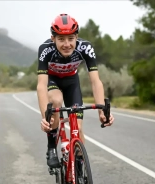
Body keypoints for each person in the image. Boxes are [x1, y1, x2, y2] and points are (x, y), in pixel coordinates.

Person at [36, 13, 114, 169]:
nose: (67, 44)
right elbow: (41, 85)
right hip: (53, 80)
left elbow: (95, 81)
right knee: (56, 102)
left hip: (72, 82)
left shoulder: (85, 47)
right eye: (61, 39)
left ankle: (79, 167)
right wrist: (45, 116)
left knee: (77, 128)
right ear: (53, 39)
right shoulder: (45, 49)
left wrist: (101, 111)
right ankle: (51, 147)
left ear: (76, 37)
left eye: (71, 39)